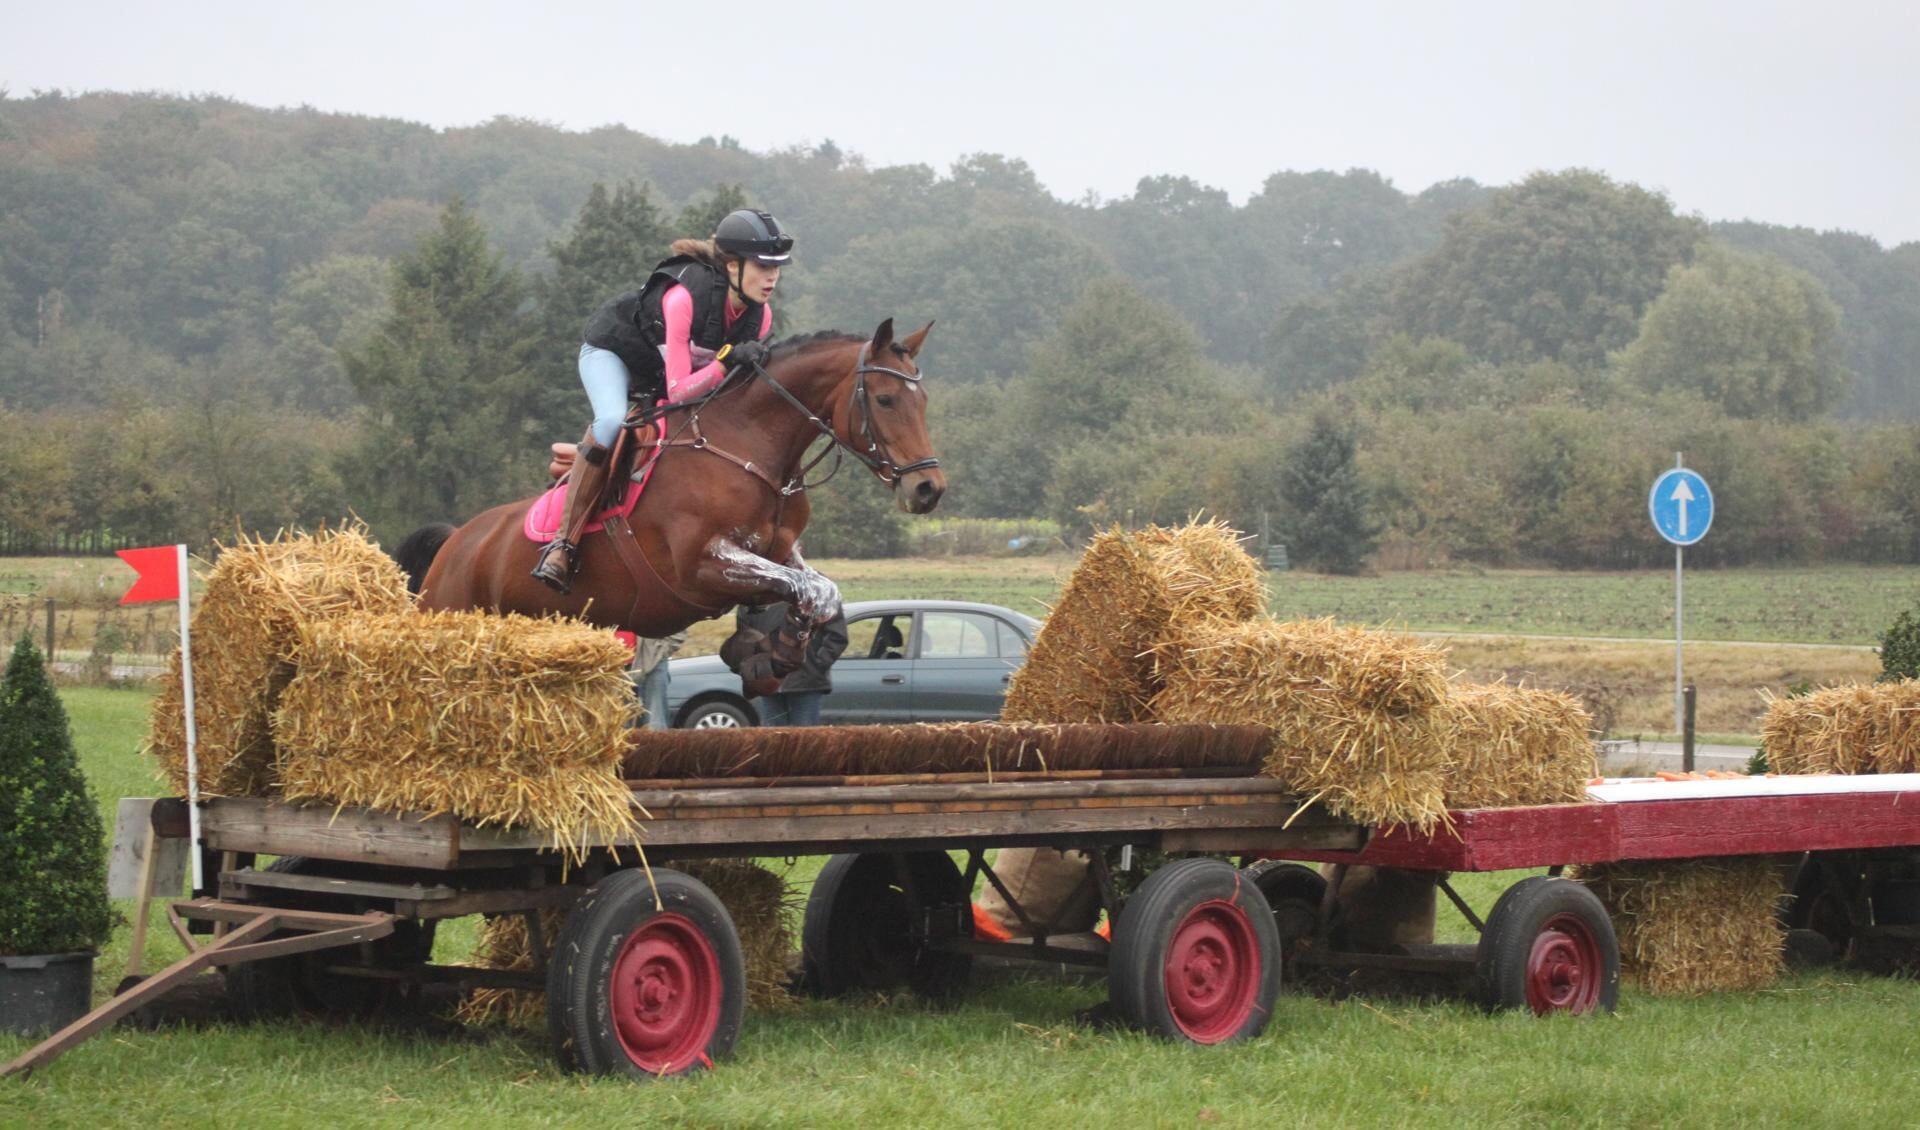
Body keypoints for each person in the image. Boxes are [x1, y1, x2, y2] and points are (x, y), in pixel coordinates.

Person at [531, 208, 794, 592]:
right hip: (613, 355)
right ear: (732, 266)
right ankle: (563, 545)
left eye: (777, 268)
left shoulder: (760, 316)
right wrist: (724, 365)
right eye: (762, 266)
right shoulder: (683, 297)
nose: (772, 277)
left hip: (662, 371)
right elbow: (679, 391)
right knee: (610, 421)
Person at [735, 600, 848, 726]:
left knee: (804, 739)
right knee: (773, 739)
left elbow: (837, 636)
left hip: (806, 684)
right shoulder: (758, 593)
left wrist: (817, 664)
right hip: (768, 681)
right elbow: (744, 635)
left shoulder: (821, 593)